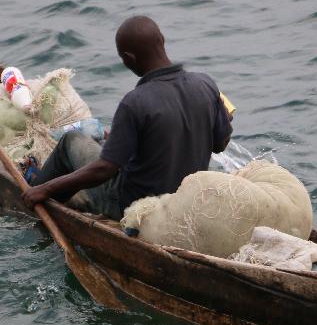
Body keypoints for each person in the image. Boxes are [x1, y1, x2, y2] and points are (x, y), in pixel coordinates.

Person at [21, 15, 233, 220]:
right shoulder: (205, 85)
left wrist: (45, 189)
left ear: (128, 59)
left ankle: (37, 191)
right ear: (162, 40)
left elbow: (106, 169)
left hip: (133, 205)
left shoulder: (135, 102)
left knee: (71, 141)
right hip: (185, 200)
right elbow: (220, 145)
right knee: (107, 143)